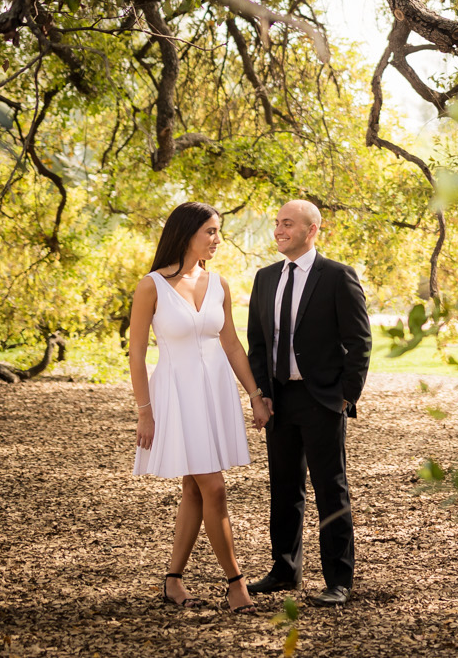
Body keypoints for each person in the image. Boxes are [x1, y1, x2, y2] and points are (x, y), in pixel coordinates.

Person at [129, 201, 272, 613]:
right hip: (175, 397)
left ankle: (173, 579)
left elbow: (231, 344)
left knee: (194, 487)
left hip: (215, 394)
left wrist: (254, 394)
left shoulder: (219, 283)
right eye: (210, 231)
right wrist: (145, 410)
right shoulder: (150, 286)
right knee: (214, 486)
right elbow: (137, 354)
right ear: (187, 232)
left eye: (218, 231)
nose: (217, 239)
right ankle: (236, 583)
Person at [243, 198, 372, 606]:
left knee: (330, 489)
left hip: (322, 400)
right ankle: (284, 570)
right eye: (277, 223)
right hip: (280, 399)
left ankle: (338, 580)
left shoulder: (337, 276)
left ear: (312, 230)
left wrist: (344, 396)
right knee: (284, 488)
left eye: (288, 224)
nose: (279, 230)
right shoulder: (265, 278)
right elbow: (258, 344)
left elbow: (359, 342)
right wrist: (261, 393)